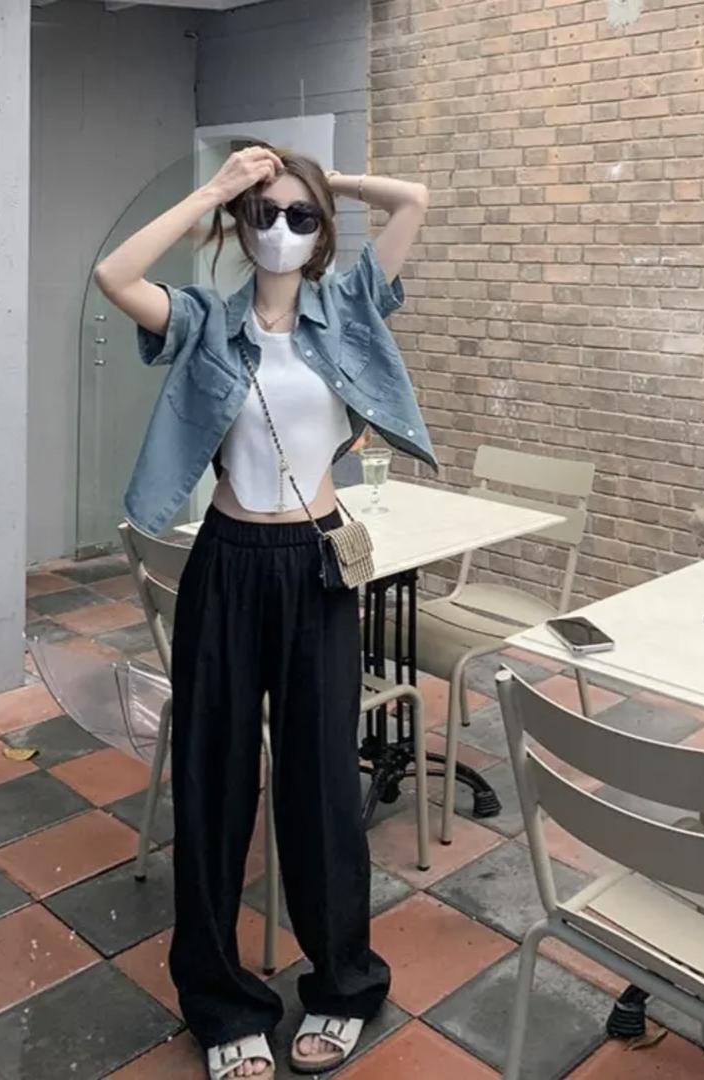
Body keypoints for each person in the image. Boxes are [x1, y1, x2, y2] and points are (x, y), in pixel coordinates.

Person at [95, 143, 437, 1079]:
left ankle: (344, 984)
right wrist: (215, 187)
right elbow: (114, 275)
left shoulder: (351, 305)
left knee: (322, 785)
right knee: (211, 781)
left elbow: (413, 199)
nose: (280, 229)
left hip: (318, 561)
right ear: (240, 227)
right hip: (229, 559)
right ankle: (221, 1004)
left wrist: (330, 180)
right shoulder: (205, 320)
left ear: (322, 232)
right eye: (263, 213)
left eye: (300, 215)